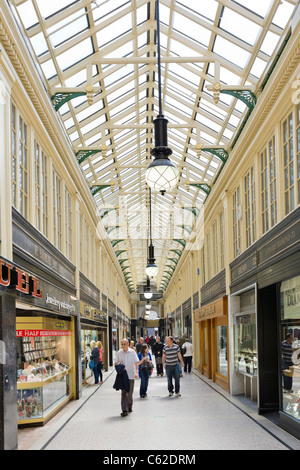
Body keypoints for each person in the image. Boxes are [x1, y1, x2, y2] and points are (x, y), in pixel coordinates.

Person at [114, 338, 139, 417]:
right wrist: (120, 368)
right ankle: (124, 410)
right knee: (124, 393)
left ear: (128, 344)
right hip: (123, 376)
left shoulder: (132, 352)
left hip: (131, 375)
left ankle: (129, 406)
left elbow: (136, 362)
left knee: (130, 392)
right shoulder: (119, 353)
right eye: (122, 344)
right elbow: (116, 363)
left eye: (124, 344)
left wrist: (136, 372)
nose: (123, 346)